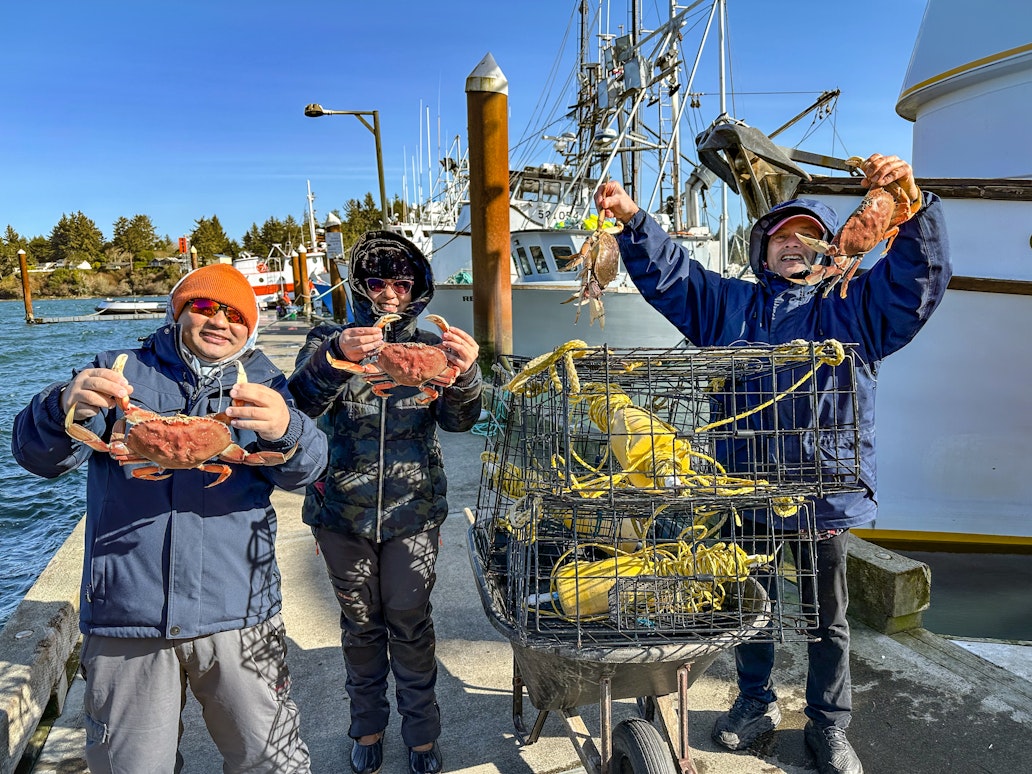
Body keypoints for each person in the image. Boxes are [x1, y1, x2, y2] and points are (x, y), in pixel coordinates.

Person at [594, 153, 951, 774]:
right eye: (781, 237)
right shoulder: (725, 306)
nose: (793, 244)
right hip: (745, 491)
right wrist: (630, 219)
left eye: (807, 236)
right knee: (749, 608)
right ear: (762, 254)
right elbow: (675, 276)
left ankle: (829, 728)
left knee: (827, 620)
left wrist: (911, 202)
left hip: (825, 494)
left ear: (825, 251)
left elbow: (918, 280)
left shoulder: (855, 306)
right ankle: (753, 703)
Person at [12, 264, 328, 773]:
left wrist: (288, 429)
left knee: (271, 764)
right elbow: (37, 457)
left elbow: (309, 471)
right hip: (127, 615)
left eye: (235, 313)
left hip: (239, 609)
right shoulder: (117, 373)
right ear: (179, 312)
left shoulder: (266, 384)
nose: (220, 320)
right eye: (204, 307)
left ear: (251, 326)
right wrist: (60, 408)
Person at [287, 231, 483, 774]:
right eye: (379, 281)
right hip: (339, 514)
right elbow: (296, 405)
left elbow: (460, 420)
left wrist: (466, 376)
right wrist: (334, 357)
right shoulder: (324, 337)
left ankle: (422, 739)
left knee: (411, 621)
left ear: (417, 288)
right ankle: (367, 729)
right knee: (360, 625)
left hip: (412, 514)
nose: (391, 293)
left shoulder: (432, 347)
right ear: (361, 286)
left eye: (402, 282)